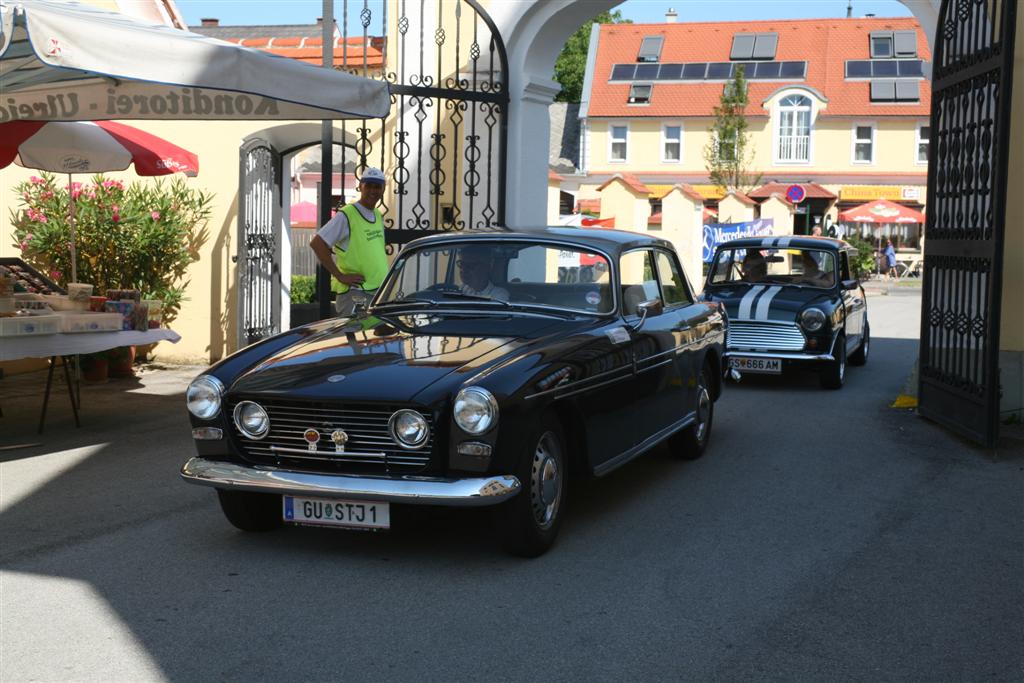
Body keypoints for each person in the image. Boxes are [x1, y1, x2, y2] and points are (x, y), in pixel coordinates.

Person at [310, 167, 388, 315]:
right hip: (356, 295)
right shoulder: (347, 214)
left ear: (383, 189)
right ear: (360, 187)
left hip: (377, 292)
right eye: (368, 185)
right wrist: (340, 275)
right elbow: (317, 243)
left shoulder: (377, 215)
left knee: (374, 338)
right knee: (355, 337)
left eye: (377, 186)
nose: (373, 190)